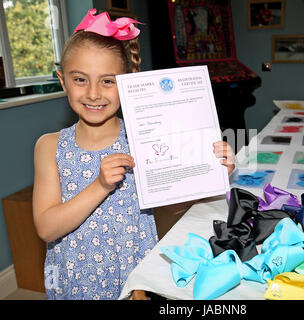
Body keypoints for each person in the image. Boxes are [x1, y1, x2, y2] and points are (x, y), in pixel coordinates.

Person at [32, 9, 236, 300]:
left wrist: (208, 172)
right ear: (62, 80)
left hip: (132, 274)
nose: (93, 93)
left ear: (127, 82)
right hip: (74, 277)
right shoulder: (49, 146)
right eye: (80, 79)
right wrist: (100, 186)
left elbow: (171, 208)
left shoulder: (144, 139)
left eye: (107, 81)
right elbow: (47, 229)